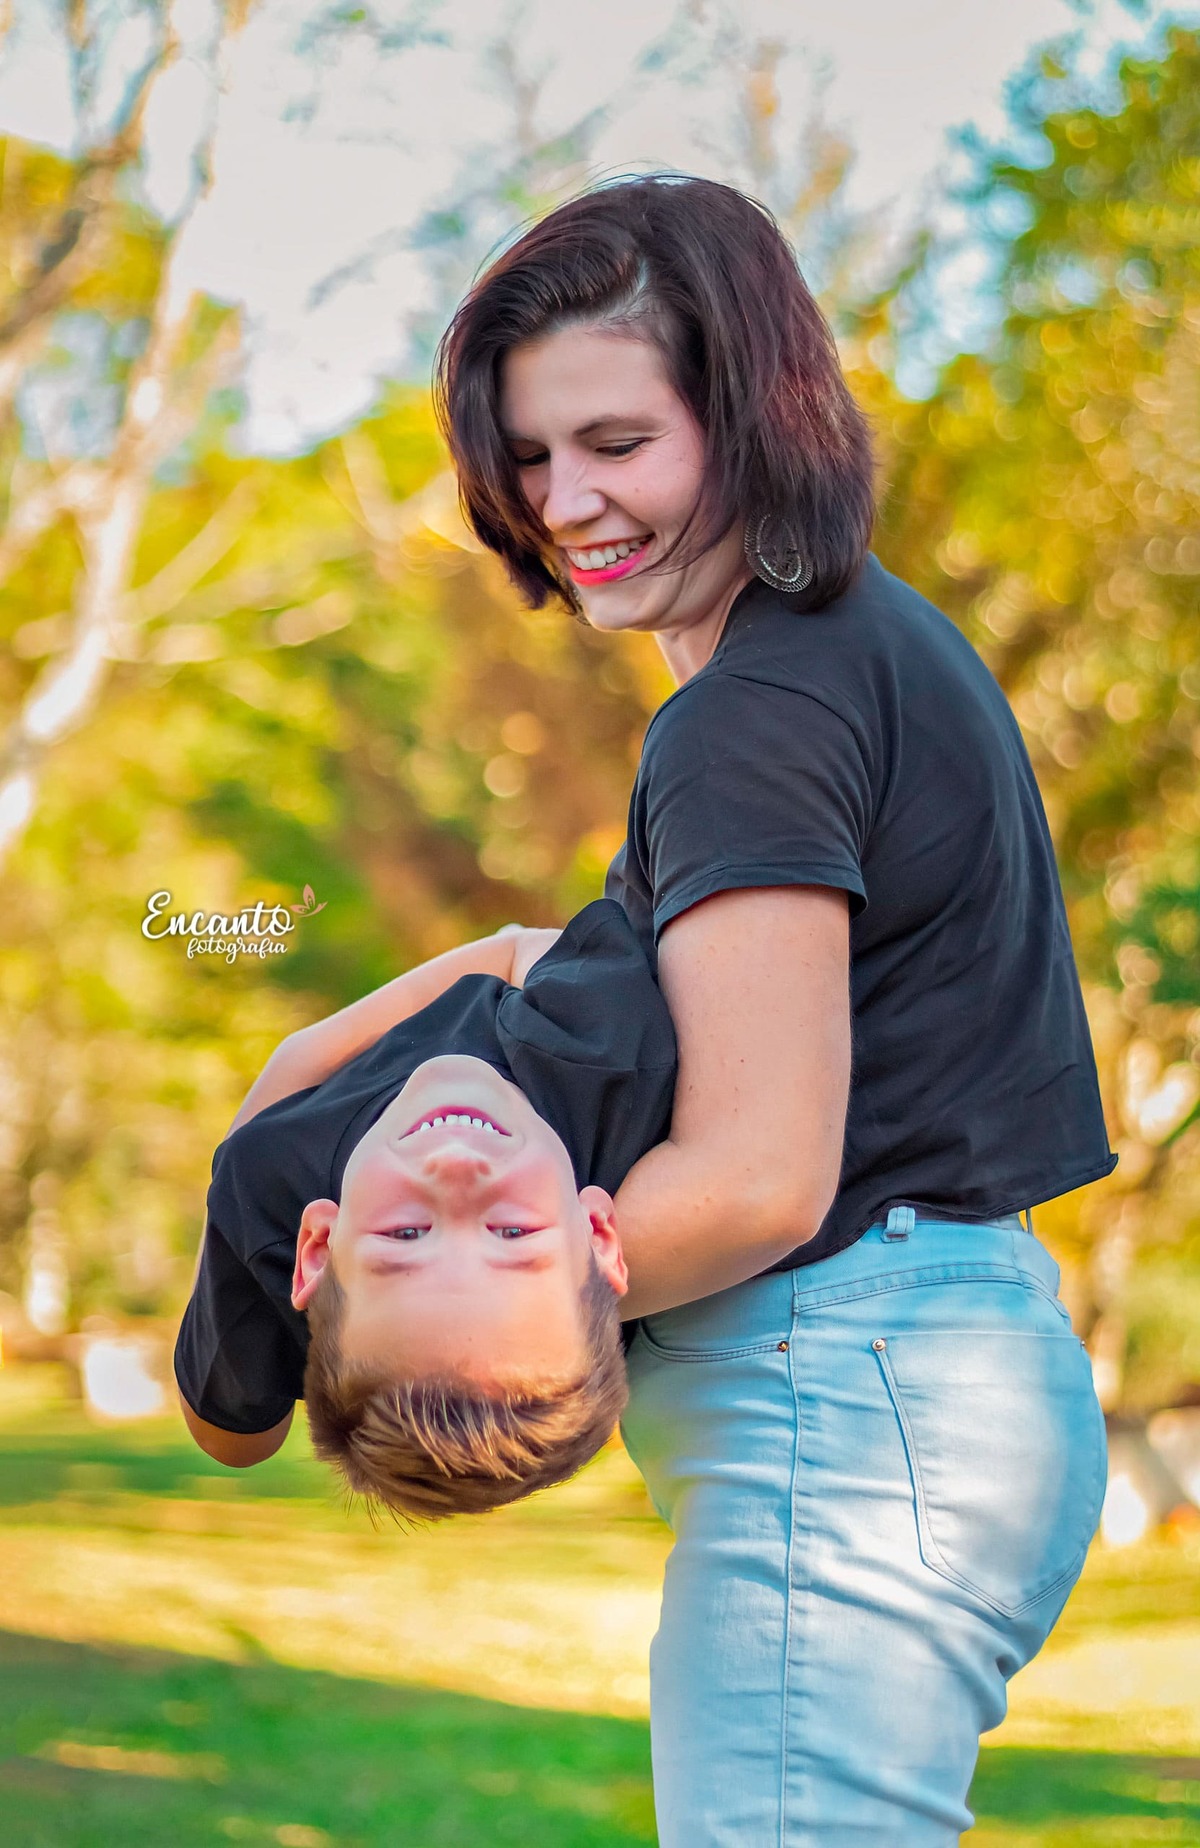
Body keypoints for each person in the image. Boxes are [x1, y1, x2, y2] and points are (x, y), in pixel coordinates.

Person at [434, 171, 1116, 1844]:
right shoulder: (861, 652)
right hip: (925, 1386)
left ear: (750, 417)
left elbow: (755, 1176)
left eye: (617, 441)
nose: (566, 499)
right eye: (530, 455)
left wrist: (424, 1304)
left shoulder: (755, 710)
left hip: (853, 1393)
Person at [174, 900, 675, 1518]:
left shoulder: (267, 1177)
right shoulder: (611, 1048)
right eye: (512, 1232)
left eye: (406, 1234)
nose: (457, 1171)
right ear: (599, 1234)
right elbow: (518, 949)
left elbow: (230, 1440)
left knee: (237, 1442)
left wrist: (240, 1153)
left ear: (314, 1248)